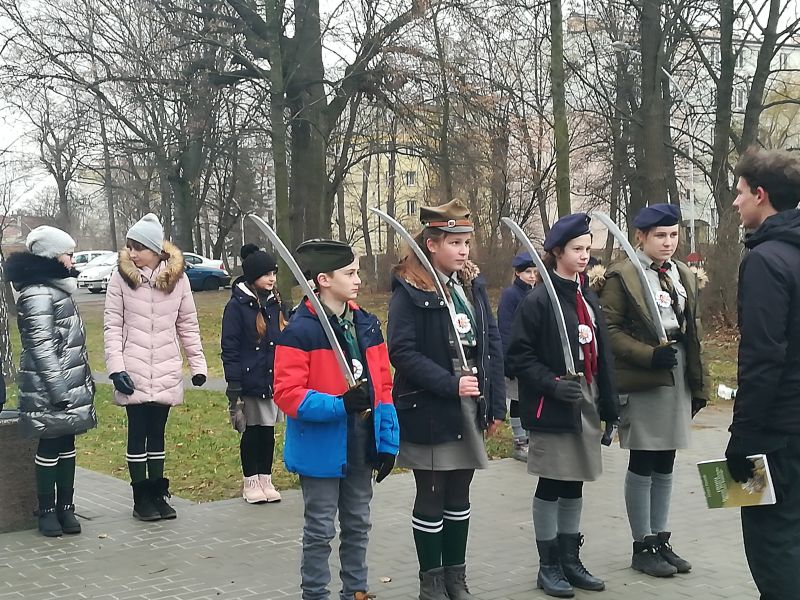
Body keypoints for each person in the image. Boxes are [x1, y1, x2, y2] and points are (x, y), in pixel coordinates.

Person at [387, 199, 506, 600]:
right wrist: (449, 384)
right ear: (432, 244)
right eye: (454, 243)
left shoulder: (471, 285)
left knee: (459, 494)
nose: (463, 250)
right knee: (433, 494)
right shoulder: (409, 288)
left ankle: (456, 577)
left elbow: (491, 344)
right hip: (430, 407)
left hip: (470, 402)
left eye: (466, 243)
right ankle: (432, 582)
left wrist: (495, 402)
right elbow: (402, 352)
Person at [273, 239, 399, 600]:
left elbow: (384, 387)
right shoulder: (300, 331)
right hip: (321, 447)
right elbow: (287, 394)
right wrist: (338, 405)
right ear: (324, 280)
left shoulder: (366, 325)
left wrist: (387, 441)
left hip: (362, 440)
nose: (358, 280)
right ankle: (315, 594)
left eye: (357, 272)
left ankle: (355, 591)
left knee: (358, 523)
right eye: (350, 273)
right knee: (320, 528)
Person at [506, 213, 618, 598]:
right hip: (552, 404)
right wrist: (552, 385)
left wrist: (610, 405)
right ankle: (549, 564)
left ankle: (570, 559)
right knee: (553, 480)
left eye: (588, 248)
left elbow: (602, 354)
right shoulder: (539, 300)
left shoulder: (587, 296)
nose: (585, 255)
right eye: (576, 249)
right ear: (557, 252)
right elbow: (518, 357)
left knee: (575, 480)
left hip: (586, 398)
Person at [599, 203, 708, 578]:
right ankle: (641, 544)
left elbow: (692, 329)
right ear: (640, 237)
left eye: (673, 235)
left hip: (676, 371)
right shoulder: (623, 276)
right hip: (643, 376)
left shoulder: (682, 273)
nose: (668, 242)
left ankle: (660, 538)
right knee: (644, 458)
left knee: (667, 459)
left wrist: (699, 382)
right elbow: (609, 331)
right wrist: (648, 355)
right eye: (660, 235)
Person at [725, 148, 800, 600]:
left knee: (772, 545)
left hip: (776, 433)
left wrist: (743, 440)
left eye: (740, 193)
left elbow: (762, 358)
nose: (736, 202)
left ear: (761, 194)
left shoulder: (766, 260)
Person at [104, 213, 208, 522]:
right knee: (138, 433)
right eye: (130, 247)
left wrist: (198, 365)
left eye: (138, 248)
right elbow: (112, 326)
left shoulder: (178, 280)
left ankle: (158, 494)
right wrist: (116, 369)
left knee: (157, 434)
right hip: (133, 368)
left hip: (165, 366)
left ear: (155, 250)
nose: (132, 253)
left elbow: (187, 324)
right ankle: (141, 498)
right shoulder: (120, 278)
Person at [6, 226, 97, 536]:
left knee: (67, 442)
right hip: (49, 389)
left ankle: (66, 507)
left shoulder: (57, 288)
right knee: (49, 444)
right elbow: (41, 346)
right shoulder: (37, 293)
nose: (72, 259)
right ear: (52, 256)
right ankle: (46, 510)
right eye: (68, 254)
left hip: (67, 384)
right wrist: (59, 391)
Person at [221, 243, 284, 504]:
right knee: (251, 432)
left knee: (267, 432)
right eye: (266, 274)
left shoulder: (276, 303)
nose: (272, 279)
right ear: (253, 276)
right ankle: (250, 481)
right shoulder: (237, 307)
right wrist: (234, 383)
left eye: (274, 273)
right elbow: (230, 348)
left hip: (271, 380)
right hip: (249, 382)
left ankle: (265, 478)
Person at [497, 252, 537, 462]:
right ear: (518, 273)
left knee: (531, 399)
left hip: (534, 357)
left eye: (534, 272)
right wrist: (508, 359)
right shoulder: (511, 295)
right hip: (515, 355)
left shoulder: (537, 292)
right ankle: (520, 441)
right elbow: (504, 328)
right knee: (517, 399)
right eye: (527, 272)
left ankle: (532, 438)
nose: (532, 276)